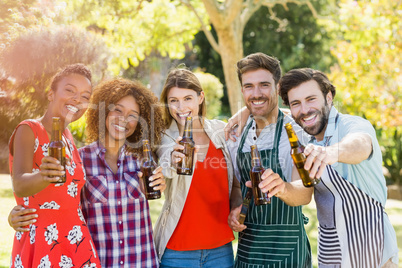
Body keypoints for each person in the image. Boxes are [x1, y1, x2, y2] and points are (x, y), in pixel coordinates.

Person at [9, 78, 167, 267]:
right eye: (117, 110)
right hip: (96, 260)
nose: (124, 119)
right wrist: (17, 214)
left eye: (133, 115)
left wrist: (160, 183)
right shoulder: (79, 160)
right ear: (105, 111)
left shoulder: (144, 161)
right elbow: (56, 200)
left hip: (142, 261)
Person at [278, 68, 399, 268]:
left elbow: (360, 144)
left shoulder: (352, 125)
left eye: (311, 99)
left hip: (371, 248)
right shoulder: (303, 137)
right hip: (331, 251)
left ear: (328, 97)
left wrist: (332, 152)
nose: (305, 110)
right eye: (296, 104)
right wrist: (282, 188)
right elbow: (270, 109)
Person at [8, 64, 101, 267]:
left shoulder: (68, 139)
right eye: (70, 90)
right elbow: (19, 184)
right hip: (43, 238)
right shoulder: (29, 129)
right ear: (51, 94)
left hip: (75, 237)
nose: (77, 99)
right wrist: (44, 175)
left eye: (85, 96)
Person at [226, 52, 312, 268]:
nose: (256, 94)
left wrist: (282, 188)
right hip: (247, 253)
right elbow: (237, 185)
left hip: (288, 253)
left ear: (277, 86)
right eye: (248, 86)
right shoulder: (236, 134)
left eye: (264, 85)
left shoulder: (295, 132)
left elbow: (305, 192)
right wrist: (237, 207)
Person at [153, 68, 242, 268]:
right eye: (173, 100)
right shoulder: (164, 138)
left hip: (221, 251)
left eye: (187, 98)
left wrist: (238, 208)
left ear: (200, 97)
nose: (181, 106)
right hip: (177, 252)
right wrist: (174, 161)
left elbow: (235, 186)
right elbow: (165, 163)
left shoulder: (221, 131)